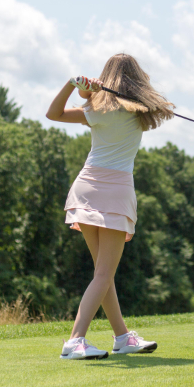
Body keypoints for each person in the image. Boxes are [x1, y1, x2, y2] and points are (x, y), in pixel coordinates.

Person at [46, 53, 174, 360]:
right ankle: (75, 341)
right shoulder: (143, 111)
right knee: (103, 273)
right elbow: (159, 107)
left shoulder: (95, 110)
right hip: (116, 192)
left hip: (86, 189)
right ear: (137, 79)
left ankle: (121, 337)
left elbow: (54, 114)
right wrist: (89, 93)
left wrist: (76, 88)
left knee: (104, 273)